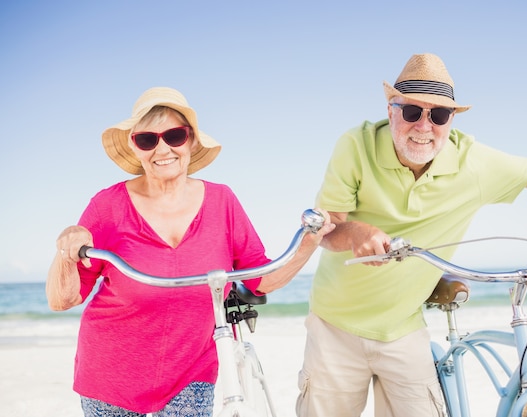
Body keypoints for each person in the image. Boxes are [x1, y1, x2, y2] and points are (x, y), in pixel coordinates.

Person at [295, 53, 527, 417]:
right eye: (412, 111)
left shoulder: (471, 162)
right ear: (391, 110)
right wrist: (357, 231)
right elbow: (326, 229)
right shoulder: (355, 146)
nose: (424, 126)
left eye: (439, 115)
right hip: (335, 323)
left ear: (452, 120)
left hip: (403, 326)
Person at [46, 86, 334, 417]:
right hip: (112, 377)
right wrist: (66, 248)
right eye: (147, 140)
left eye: (174, 135)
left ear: (191, 141)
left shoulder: (221, 201)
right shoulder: (107, 207)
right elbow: (61, 300)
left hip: (190, 374)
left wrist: (309, 243)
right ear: (135, 148)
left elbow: (260, 280)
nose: (162, 148)